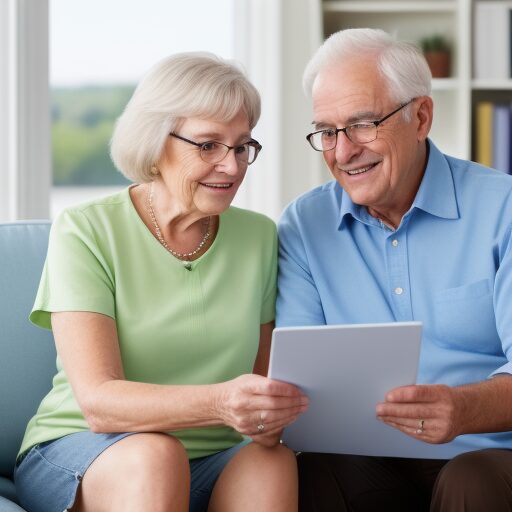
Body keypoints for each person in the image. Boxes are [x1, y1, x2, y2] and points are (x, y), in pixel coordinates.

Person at [14, 52, 308, 512]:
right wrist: (222, 401)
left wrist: (269, 414)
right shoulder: (87, 230)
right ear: (156, 140)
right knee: (157, 454)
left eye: (242, 146)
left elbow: (261, 378)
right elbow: (99, 402)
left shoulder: (259, 237)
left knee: (272, 462)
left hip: (212, 454)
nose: (232, 167)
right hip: (88, 446)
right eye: (208, 145)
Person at [277, 28, 512, 511]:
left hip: (488, 454)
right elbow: (300, 379)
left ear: (421, 116)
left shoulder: (502, 210)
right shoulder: (304, 225)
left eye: (363, 124)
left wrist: (462, 409)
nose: (343, 153)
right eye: (327, 131)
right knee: (316, 469)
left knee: (471, 479)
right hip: (372, 457)